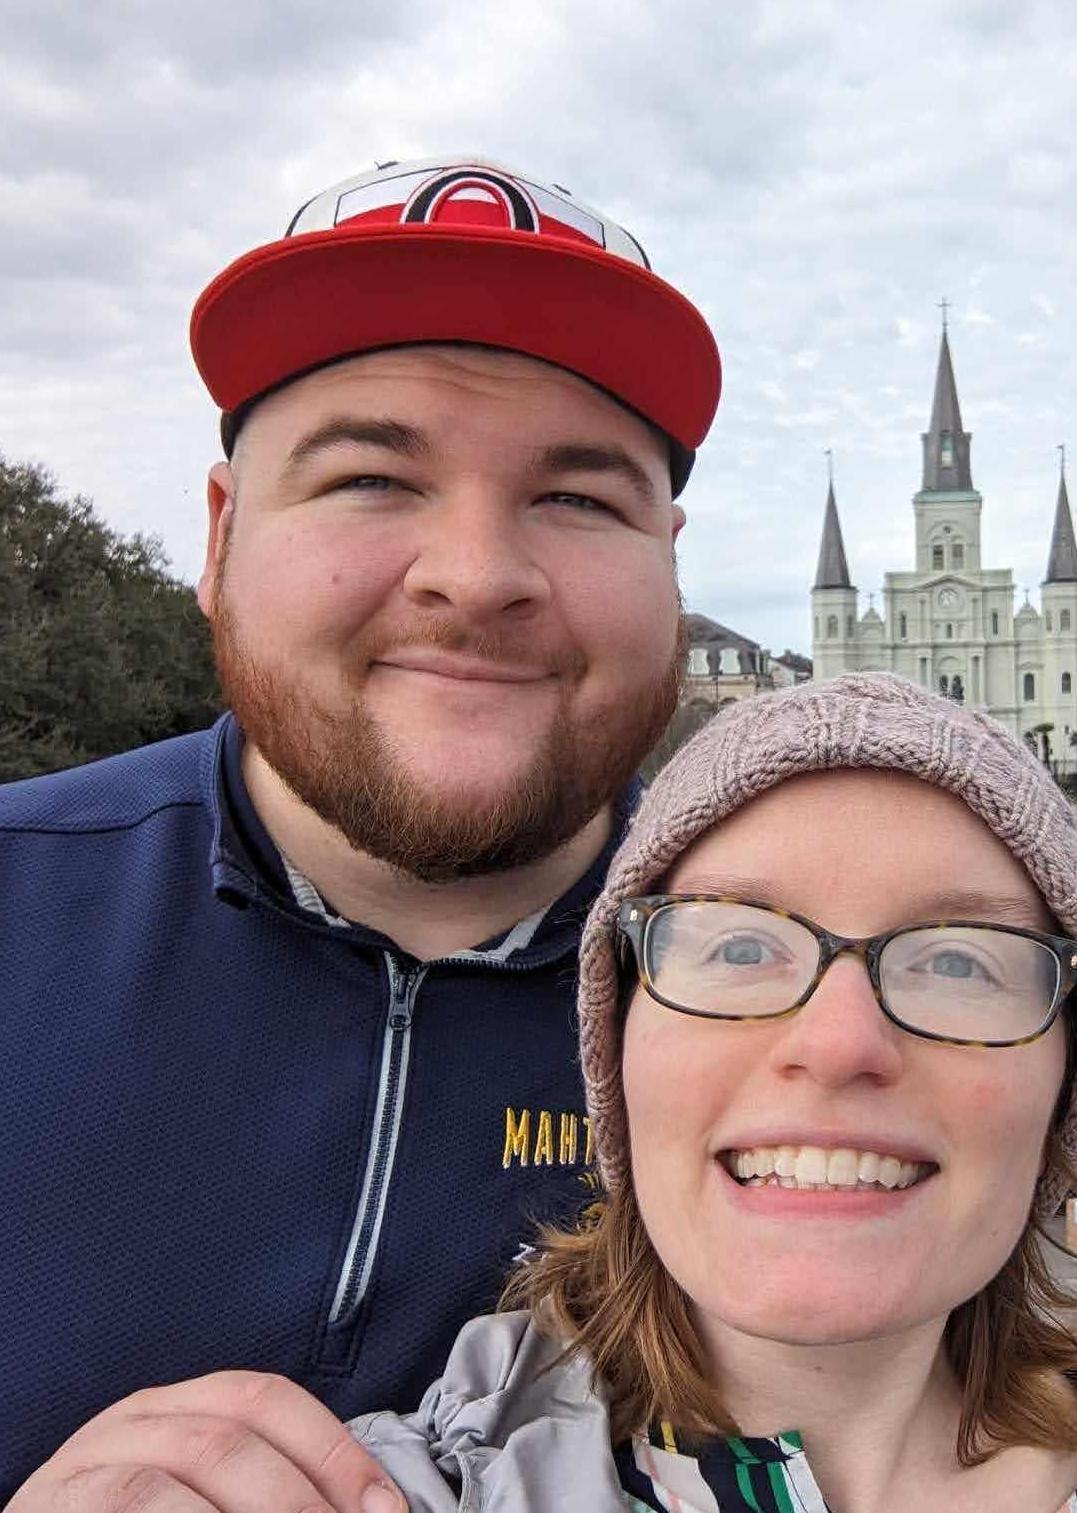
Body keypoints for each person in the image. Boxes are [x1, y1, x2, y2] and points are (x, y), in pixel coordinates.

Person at [3, 156, 719, 1503]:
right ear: (218, 544)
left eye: (576, 498)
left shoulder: (805, 1006)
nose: (476, 575)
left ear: (669, 562)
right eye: (369, 477)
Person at [345, 674, 1077, 1510]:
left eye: (958, 962)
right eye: (740, 946)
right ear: (619, 1041)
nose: (838, 1043)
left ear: (1065, 1082)